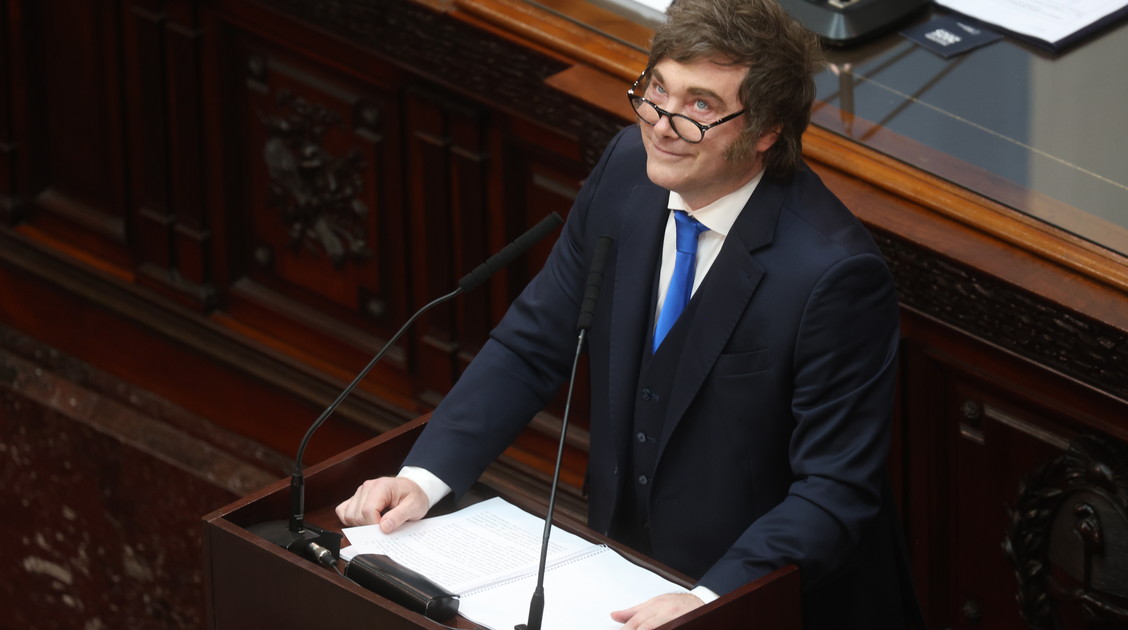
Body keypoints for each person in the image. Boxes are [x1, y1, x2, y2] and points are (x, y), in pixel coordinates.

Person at [337, 0, 922, 627]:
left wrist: (707, 603)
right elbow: (533, 344)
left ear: (767, 131)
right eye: (657, 91)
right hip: (619, 567)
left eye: (700, 105)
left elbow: (833, 491)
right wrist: (425, 478)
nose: (662, 125)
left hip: (762, 601)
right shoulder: (626, 171)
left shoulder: (833, 275)